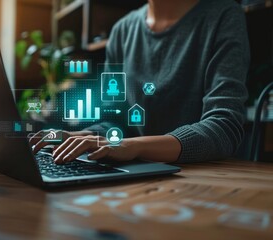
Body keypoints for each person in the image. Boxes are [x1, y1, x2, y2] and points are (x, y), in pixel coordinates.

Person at [30, 0, 250, 164]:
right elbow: (115, 119)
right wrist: (88, 135)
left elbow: (224, 126)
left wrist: (131, 146)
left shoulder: (223, 15)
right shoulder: (122, 31)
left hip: (202, 179)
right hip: (135, 178)